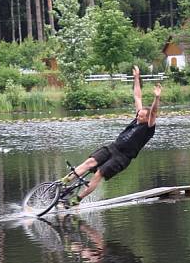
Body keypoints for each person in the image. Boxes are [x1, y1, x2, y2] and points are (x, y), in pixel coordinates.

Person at [62, 66, 161, 207]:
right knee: (89, 162)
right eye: (138, 115)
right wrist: (136, 78)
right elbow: (137, 96)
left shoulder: (149, 127)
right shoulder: (138, 117)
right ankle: (63, 182)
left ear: (147, 118)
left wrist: (157, 97)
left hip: (122, 158)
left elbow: (153, 112)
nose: (138, 117)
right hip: (112, 147)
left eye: (142, 116)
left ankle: (76, 200)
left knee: (98, 174)